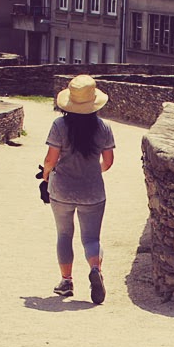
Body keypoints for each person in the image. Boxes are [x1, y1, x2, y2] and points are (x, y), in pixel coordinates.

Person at [40, 75, 115, 304]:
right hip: (93, 191)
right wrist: (92, 173)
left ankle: (66, 281)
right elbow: (109, 161)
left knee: (64, 235)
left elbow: (51, 159)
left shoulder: (59, 126)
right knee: (91, 238)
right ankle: (95, 269)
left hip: (61, 190)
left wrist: (45, 176)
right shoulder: (103, 127)